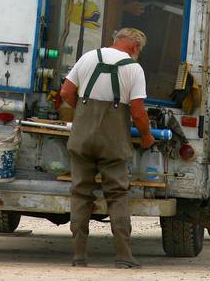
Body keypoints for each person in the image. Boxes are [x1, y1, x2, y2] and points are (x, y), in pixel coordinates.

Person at [59, 27, 155, 269]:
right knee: (117, 196)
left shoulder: (88, 57)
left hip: (81, 138)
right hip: (113, 142)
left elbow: (66, 92)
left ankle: (78, 256)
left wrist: (82, 112)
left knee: (80, 195)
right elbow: (137, 111)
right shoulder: (134, 68)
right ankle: (123, 256)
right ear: (135, 47)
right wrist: (146, 136)